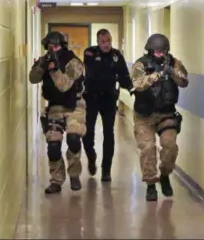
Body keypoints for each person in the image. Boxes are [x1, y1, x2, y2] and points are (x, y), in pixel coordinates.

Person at [131, 33, 189, 201]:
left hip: (166, 113)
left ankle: (165, 174)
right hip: (144, 115)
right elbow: (138, 84)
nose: (159, 54)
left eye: (161, 52)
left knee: (170, 146)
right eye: (155, 52)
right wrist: (156, 75)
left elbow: (184, 81)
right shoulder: (140, 64)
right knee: (148, 148)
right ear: (150, 50)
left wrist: (171, 72)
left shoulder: (173, 62)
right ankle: (150, 184)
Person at [29, 31, 86, 194]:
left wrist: (54, 70)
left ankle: (74, 174)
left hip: (75, 105)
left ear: (62, 46)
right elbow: (33, 78)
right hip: (55, 107)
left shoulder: (74, 62)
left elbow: (65, 86)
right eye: (50, 47)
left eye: (56, 46)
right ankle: (56, 180)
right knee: (53, 146)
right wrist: (42, 66)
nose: (53, 49)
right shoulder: (45, 60)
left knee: (74, 139)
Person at [82, 28, 133, 182]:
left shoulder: (117, 55)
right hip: (91, 98)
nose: (106, 44)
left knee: (108, 134)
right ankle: (91, 157)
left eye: (109, 41)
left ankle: (106, 170)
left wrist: (133, 87)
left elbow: (124, 77)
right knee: (87, 133)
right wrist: (113, 74)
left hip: (109, 99)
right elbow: (94, 73)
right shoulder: (89, 53)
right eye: (103, 41)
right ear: (97, 42)